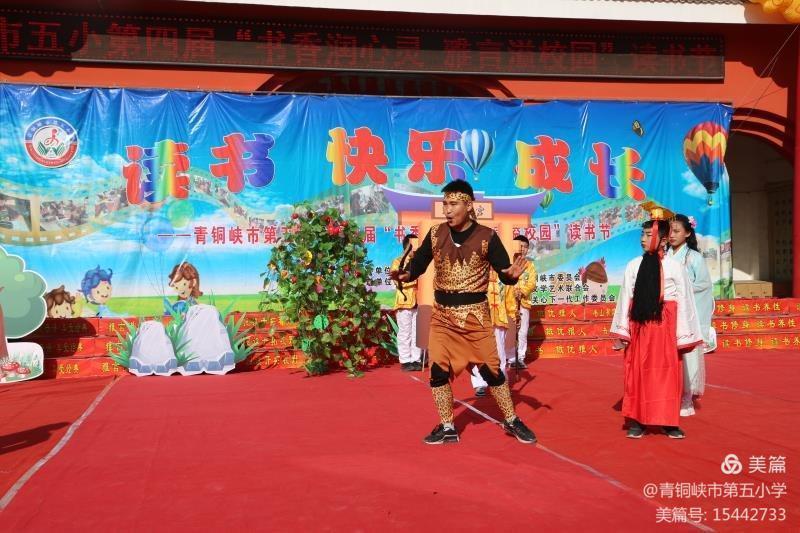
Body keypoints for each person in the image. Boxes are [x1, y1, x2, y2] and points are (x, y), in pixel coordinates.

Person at [391, 179, 536, 445]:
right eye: (445, 203)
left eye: (453, 204)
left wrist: (512, 276)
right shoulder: (436, 234)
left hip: (475, 318)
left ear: (469, 206)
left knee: (492, 372)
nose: (447, 209)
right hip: (442, 317)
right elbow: (419, 264)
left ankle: (511, 419)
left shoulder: (487, 237)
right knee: (438, 371)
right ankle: (447, 426)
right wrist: (406, 274)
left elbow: (505, 271)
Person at [610, 210, 703, 439]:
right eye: (642, 234)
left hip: (665, 327)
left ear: (663, 239)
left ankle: (668, 421)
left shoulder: (675, 267)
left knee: (667, 374)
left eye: (648, 234)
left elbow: (684, 300)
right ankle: (637, 420)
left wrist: (684, 334)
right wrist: (623, 331)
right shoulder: (633, 265)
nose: (643, 239)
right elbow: (625, 298)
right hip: (640, 327)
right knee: (638, 372)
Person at [667, 214, 714, 417]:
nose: (672, 235)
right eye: (670, 231)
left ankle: (687, 397)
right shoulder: (664, 256)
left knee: (688, 356)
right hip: (668, 313)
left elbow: (704, 285)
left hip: (687, 315)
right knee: (668, 357)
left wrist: (681, 290)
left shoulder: (694, 257)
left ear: (687, 233)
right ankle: (669, 395)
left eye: (677, 231)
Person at [470, 270, 509, 396]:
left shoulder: (503, 274)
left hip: (499, 318)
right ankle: (479, 383)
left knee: (500, 353)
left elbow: (509, 297)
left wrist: (514, 314)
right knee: (478, 353)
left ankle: (501, 383)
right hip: (480, 319)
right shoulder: (476, 273)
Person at [391, 234, 422, 371]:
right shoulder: (398, 262)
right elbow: (397, 280)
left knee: (417, 333)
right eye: (412, 246)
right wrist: (415, 280)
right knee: (405, 332)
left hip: (419, 301)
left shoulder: (421, 263)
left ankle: (416, 359)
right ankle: (405, 360)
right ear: (406, 247)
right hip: (404, 302)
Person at [507, 235, 537, 369]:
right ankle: (510, 357)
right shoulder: (508, 263)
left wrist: (522, 292)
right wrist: (513, 292)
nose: (522, 249)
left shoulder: (530, 266)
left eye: (525, 247)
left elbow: (532, 283)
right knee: (509, 330)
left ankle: (520, 357)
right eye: (520, 246)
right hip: (509, 302)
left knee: (523, 331)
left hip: (523, 302)